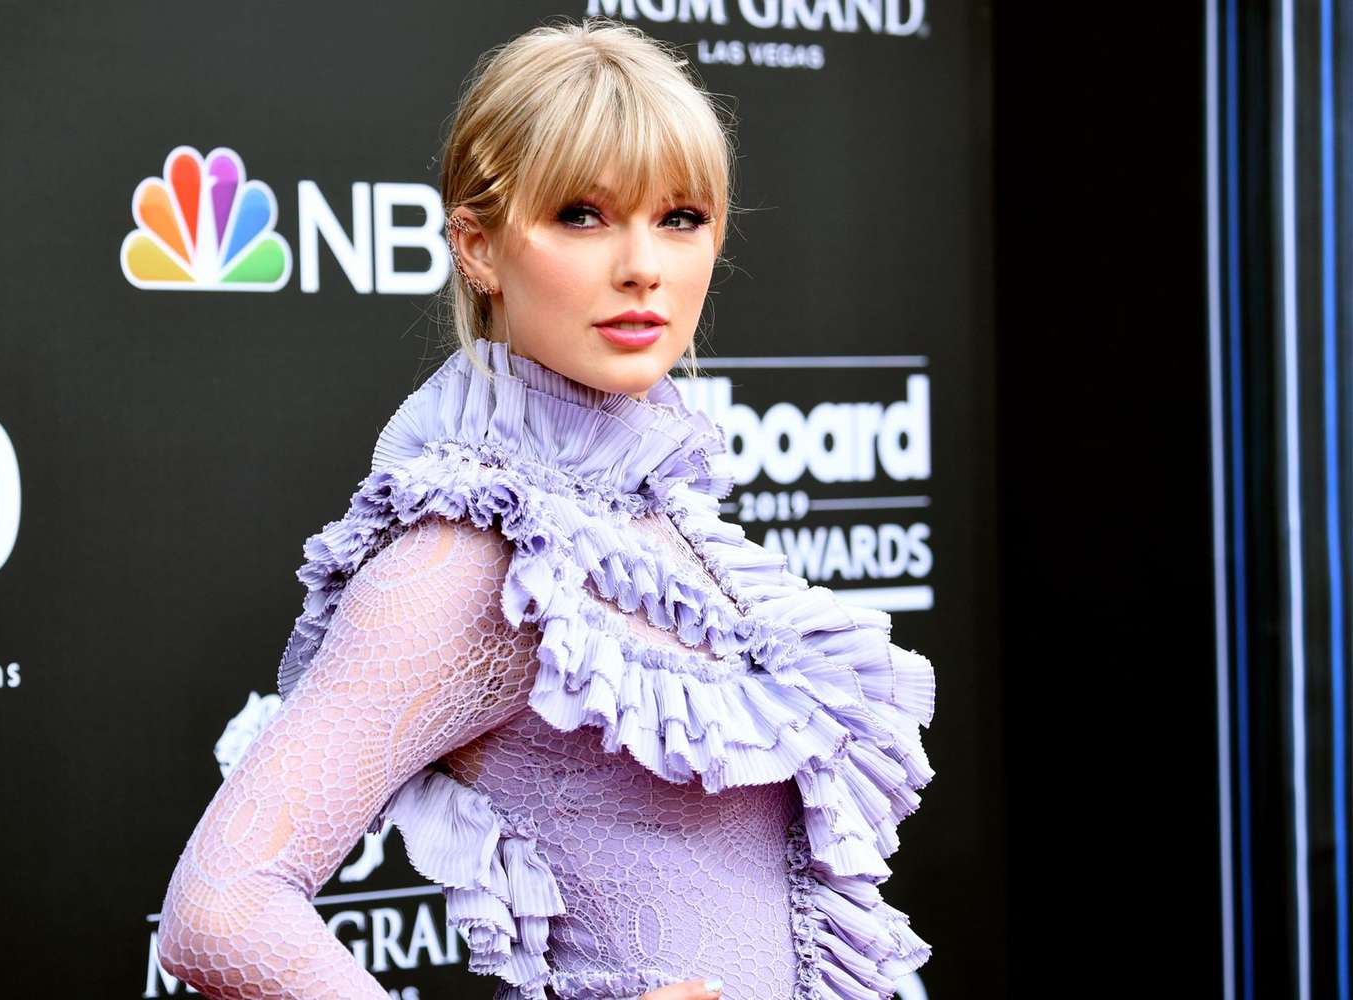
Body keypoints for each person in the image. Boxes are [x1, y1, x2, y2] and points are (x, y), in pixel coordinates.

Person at [155, 16, 935, 1000]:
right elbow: (219, 909)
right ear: (476, 246)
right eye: (582, 214)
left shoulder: (672, 517)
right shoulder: (472, 558)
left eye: (681, 217)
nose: (642, 264)